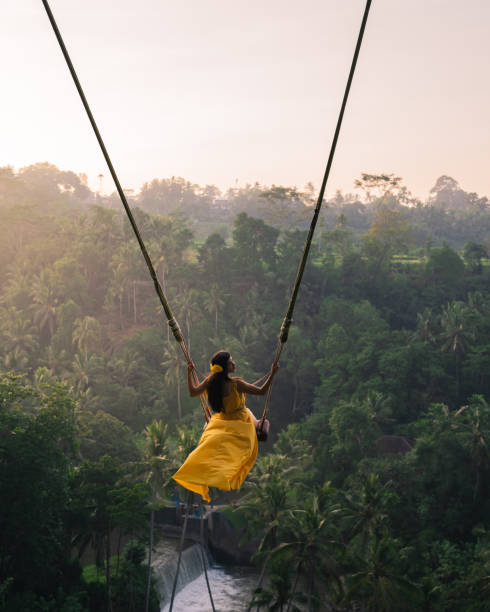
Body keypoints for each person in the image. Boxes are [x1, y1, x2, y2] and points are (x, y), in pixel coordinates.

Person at [172, 350, 279, 502]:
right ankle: (222, 474)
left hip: (222, 420)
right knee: (263, 426)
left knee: (213, 447)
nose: (233, 363)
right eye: (230, 362)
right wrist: (273, 374)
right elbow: (262, 391)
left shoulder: (211, 382)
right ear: (224, 367)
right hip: (242, 420)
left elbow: (193, 392)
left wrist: (189, 373)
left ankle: (208, 473)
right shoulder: (237, 384)